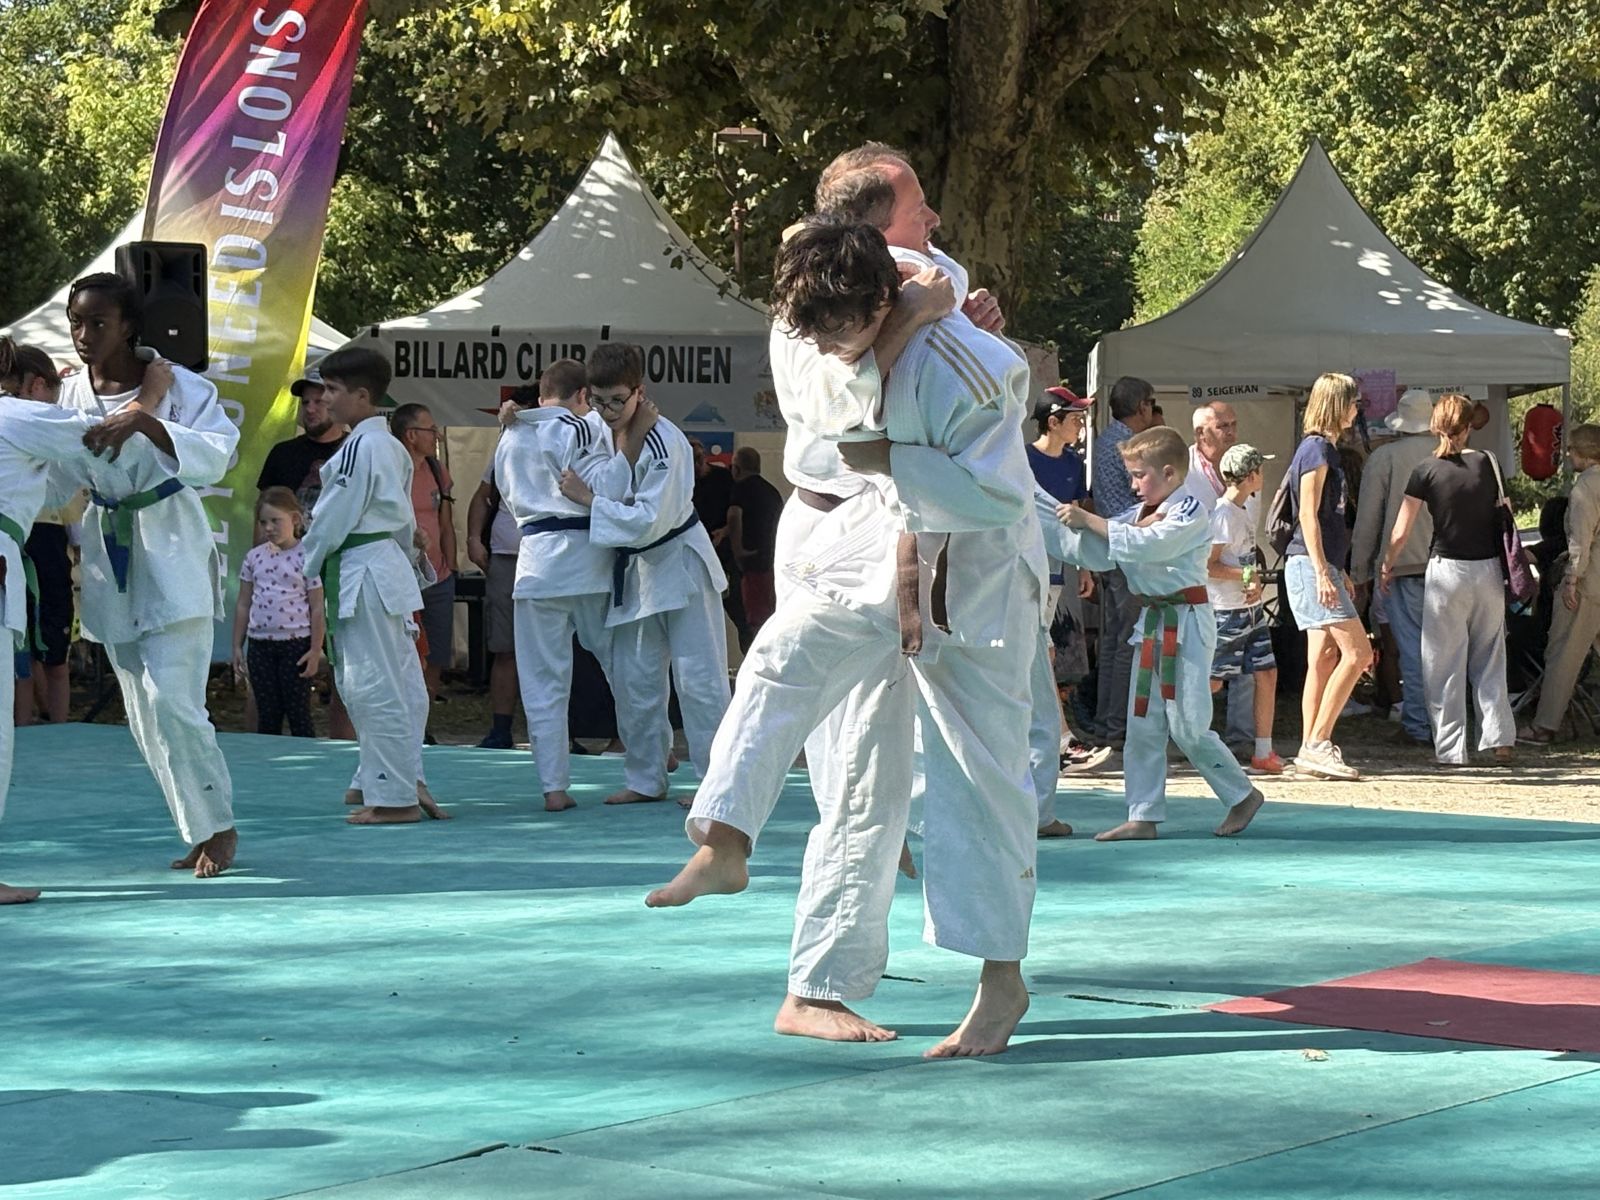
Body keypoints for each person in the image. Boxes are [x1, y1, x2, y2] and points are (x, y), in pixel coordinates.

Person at [650, 217, 1047, 1060]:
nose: (830, 348)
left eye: (846, 331)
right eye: (819, 335)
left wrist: (888, 458)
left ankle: (1000, 980)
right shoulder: (821, 314)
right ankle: (725, 840)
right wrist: (885, 371)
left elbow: (1000, 496)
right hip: (872, 536)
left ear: (882, 299)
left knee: (979, 774)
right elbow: (837, 401)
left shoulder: (973, 365)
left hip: (975, 570)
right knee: (780, 657)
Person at [53, 273, 241, 876]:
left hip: (172, 543)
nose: (84, 335)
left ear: (129, 325)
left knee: (174, 701)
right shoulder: (70, 391)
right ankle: (197, 826)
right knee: (142, 710)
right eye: (76, 323)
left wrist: (146, 419)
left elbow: (219, 454)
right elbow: (55, 471)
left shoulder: (180, 384)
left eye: (98, 322)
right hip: (109, 552)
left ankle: (220, 825)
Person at [1056, 426, 1265, 841]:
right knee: (1143, 722)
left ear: (1169, 473)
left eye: (1140, 475)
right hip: (1151, 623)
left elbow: (1146, 545)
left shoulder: (1190, 511)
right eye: (1131, 475)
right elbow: (1102, 544)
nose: (1133, 485)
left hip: (1187, 621)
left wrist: (1089, 519)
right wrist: (1054, 520)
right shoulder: (1138, 513)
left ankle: (1242, 794)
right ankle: (1143, 813)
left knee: (1188, 725)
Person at [558, 343, 731, 804]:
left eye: (618, 400)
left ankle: (716, 784)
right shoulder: (597, 430)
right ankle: (645, 777)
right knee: (635, 679)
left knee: (699, 679)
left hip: (680, 560)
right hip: (637, 571)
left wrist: (590, 500)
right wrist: (514, 416)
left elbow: (649, 519)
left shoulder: (665, 440)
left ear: (640, 391)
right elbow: (568, 446)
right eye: (599, 400)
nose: (609, 410)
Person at [300, 347, 446, 825]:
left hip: (364, 573)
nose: (325, 399)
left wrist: (305, 563)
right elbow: (401, 521)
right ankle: (396, 776)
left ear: (362, 396)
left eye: (333, 390)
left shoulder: (363, 448)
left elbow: (332, 518)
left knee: (372, 683)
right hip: (383, 569)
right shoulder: (387, 446)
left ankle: (393, 796)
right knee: (400, 681)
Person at [1, 335, 117, 902]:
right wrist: (150, 400)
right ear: (35, 385)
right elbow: (100, 434)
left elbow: (56, 479)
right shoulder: (16, 412)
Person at [494, 360, 637, 810]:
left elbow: (505, 495)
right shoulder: (584, 426)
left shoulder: (510, 436)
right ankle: (650, 752)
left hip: (535, 561)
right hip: (587, 557)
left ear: (541, 396)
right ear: (582, 397)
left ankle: (553, 787)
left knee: (543, 681)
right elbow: (610, 483)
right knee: (622, 663)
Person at [1380, 393, 1515, 767]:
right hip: (1487, 568)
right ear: (1469, 426)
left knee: (1443, 662)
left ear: (1435, 425)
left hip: (1446, 570)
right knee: (1490, 655)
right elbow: (1505, 512)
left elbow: (1401, 531)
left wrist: (1386, 565)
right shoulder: (1488, 463)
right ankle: (1499, 739)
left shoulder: (1425, 470)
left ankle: (1451, 750)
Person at [1282, 373, 1372, 780]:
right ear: (1337, 405)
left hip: (1316, 564)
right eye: (1352, 402)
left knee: (1322, 657)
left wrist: (1336, 568)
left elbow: (1323, 518)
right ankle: (1318, 742)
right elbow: (1307, 513)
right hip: (1310, 564)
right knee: (1358, 653)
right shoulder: (1317, 449)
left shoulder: (1321, 449)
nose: (1356, 409)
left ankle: (1309, 746)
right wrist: (1323, 570)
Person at [258, 368, 353, 739]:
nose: (311, 409)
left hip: (342, 571)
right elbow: (261, 513)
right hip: (287, 583)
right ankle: (257, 748)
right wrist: (259, 567)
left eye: (318, 401)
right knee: (266, 666)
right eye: (305, 402)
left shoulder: (354, 450)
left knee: (344, 664)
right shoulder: (283, 454)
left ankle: (343, 749)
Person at [1349, 389, 1438, 746]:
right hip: (1451, 563)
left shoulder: (1385, 457)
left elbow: (1368, 519)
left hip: (1400, 565)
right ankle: (1448, 722)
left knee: (1408, 647)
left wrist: (1359, 572)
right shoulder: (1453, 453)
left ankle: (1416, 722)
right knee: (1445, 649)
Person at [1090, 376, 1159, 746]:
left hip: (1108, 547)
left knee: (1116, 639)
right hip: (1128, 547)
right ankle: (1118, 725)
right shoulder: (1128, 447)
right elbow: (1142, 501)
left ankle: (1106, 722)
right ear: (1141, 406)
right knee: (1129, 639)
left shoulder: (1105, 440)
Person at [1207, 444, 1284, 774]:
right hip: (1226, 611)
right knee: (1213, 681)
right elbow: (1209, 565)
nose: (1263, 476)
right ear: (1251, 476)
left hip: (1249, 609)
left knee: (1266, 672)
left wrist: (1250, 578)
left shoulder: (1241, 510)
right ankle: (1188, 737)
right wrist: (1247, 575)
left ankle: (1263, 751)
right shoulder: (1224, 514)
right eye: (1260, 471)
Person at [1520, 424, 1600, 743]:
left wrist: (1571, 579)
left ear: (1582, 452)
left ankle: (1545, 725)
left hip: (1589, 579)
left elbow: (1580, 538)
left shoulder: (1585, 487)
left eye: (1570, 450)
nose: (1567, 455)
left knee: (1563, 654)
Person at [230, 487, 323, 737]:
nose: (269, 528)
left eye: (275, 521)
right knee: (268, 713)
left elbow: (316, 606)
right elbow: (243, 603)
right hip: (260, 645)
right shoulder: (253, 558)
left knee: (298, 712)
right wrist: (237, 645)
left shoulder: (307, 556)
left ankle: (306, 756)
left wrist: (315, 650)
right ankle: (269, 758)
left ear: (295, 519)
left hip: (296, 645)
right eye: (263, 522)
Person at [391, 403, 456, 722]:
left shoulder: (436, 469)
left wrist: (451, 566)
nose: (437, 435)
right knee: (404, 653)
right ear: (411, 435)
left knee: (437, 653)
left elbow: (446, 521)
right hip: (400, 579)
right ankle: (402, 721)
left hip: (438, 577)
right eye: (430, 430)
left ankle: (423, 723)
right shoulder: (389, 470)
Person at [466, 425, 525, 750]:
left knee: (558, 651)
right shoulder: (507, 443)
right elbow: (483, 495)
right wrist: (474, 539)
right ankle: (500, 730)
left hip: (552, 561)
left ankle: (568, 732)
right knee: (504, 648)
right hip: (505, 558)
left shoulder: (571, 437)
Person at [690, 436, 748, 648]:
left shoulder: (723, 478)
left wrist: (725, 532)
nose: (696, 465)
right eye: (690, 461)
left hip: (725, 555)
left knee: (740, 613)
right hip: (697, 556)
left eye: (698, 458)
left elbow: (740, 511)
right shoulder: (682, 483)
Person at [726, 446, 783, 634]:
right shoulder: (772, 491)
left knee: (755, 618)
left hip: (752, 562)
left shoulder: (741, 489)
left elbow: (734, 516)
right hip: (773, 560)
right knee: (772, 614)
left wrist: (738, 551)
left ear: (737, 469)